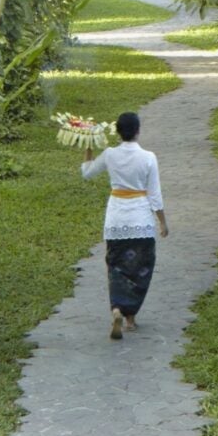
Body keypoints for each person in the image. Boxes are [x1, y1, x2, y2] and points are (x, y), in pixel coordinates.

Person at [80, 110, 166, 340]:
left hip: (116, 219)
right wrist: (162, 222)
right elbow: (155, 195)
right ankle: (130, 319)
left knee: (116, 266)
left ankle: (117, 308)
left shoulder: (109, 155)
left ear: (118, 132)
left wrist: (88, 144)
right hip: (141, 220)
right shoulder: (148, 157)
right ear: (138, 131)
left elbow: (87, 172)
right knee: (141, 267)